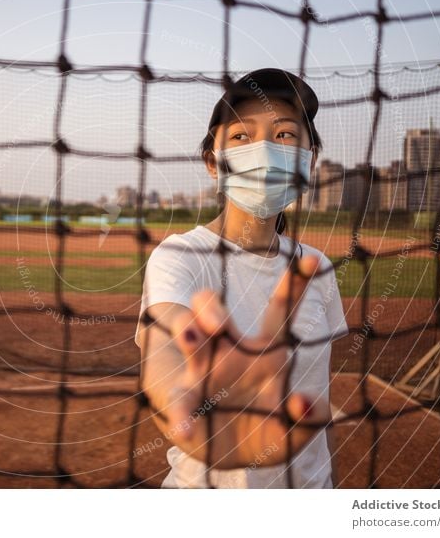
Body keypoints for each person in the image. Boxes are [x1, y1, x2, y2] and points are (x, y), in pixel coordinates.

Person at [134, 68, 349, 489]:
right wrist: (193, 418)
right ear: (213, 164)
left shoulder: (316, 269)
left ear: (310, 161)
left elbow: (315, 405)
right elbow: (163, 361)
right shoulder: (180, 256)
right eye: (240, 136)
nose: (265, 148)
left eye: (285, 134)